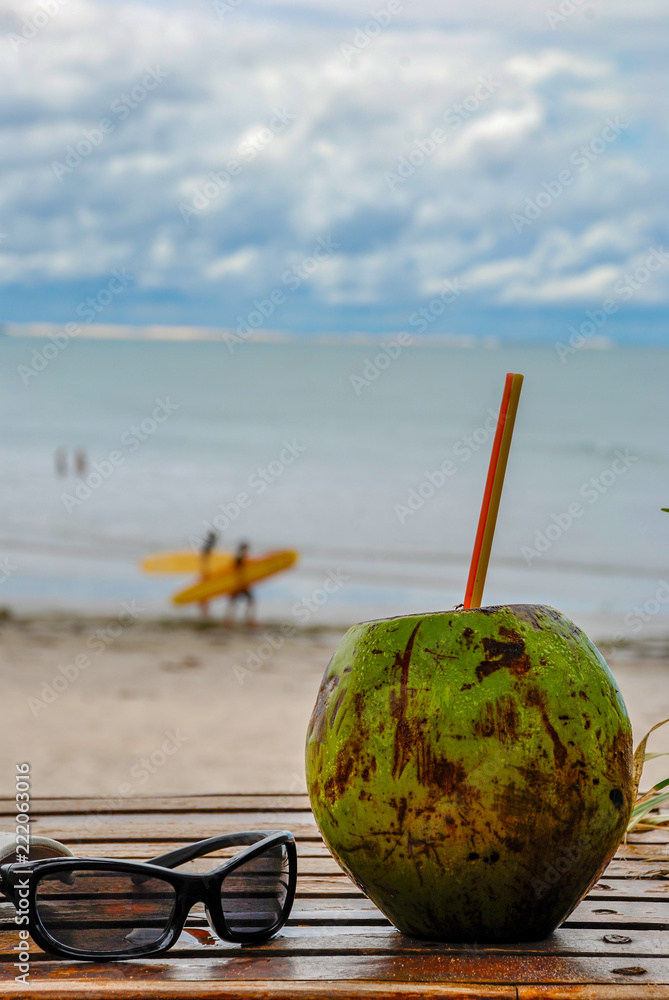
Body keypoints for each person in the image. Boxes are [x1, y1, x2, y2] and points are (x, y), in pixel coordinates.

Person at [225, 541, 256, 627]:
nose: (246, 550)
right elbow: (237, 572)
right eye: (245, 548)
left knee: (238, 602)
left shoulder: (242, 558)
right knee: (236, 602)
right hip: (239, 585)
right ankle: (231, 619)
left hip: (242, 585)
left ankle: (232, 619)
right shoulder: (239, 558)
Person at [198, 530, 218, 620]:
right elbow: (205, 561)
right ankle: (204, 612)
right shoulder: (207, 547)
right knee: (205, 592)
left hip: (205, 572)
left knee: (205, 592)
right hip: (206, 573)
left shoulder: (207, 547)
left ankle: (204, 611)